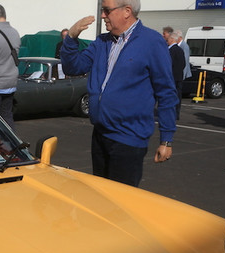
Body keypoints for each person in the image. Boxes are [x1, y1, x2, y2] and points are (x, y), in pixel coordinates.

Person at [60, 0, 177, 187]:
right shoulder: (102, 42)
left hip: (129, 139)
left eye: (107, 10)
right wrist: (72, 37)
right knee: (101, 198)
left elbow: (166, 92)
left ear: (127, 11)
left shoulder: (152, 42)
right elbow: (73, 66)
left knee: (120, 204)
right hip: (100, 134)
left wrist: (166, 140)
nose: (102, 16)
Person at [167, 31, 185, 120]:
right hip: (179, 77)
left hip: (171, 77)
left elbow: (167, 64)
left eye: (168, 39)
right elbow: (183, 64)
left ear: (172, 39)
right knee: (178, 96)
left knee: (170, 96)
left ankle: (170, 113)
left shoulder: (170, 51)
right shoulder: (180, 50)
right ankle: (176, 113)